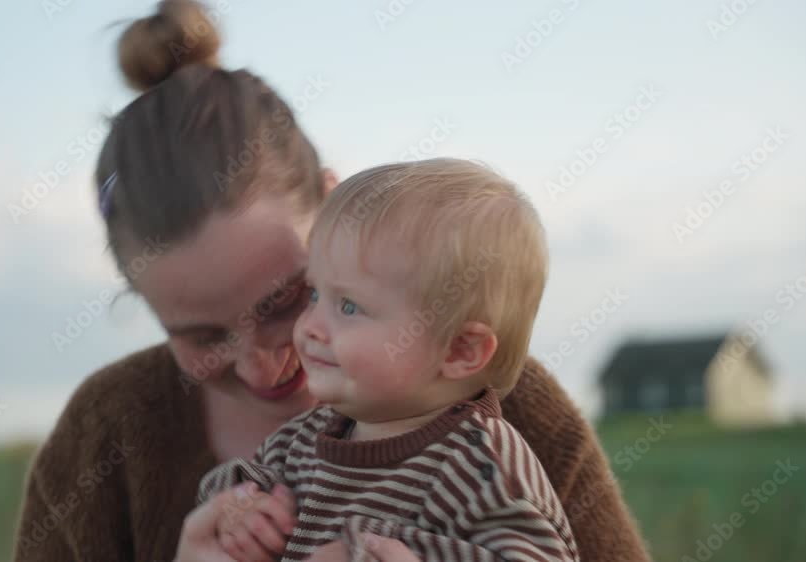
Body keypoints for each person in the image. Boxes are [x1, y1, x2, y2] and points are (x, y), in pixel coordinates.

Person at [11, 1, 651, 561]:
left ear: (336, 209)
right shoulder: (105, 434)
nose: (264, 366)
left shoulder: (505, 412)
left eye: (288, 298)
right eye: (203, 336)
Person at [196, 158, 581, 562]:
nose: (309, 326)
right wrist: (242, 512)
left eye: (348, 306)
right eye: (314, 295)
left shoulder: (480, 464)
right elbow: (233, 488)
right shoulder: (300, 442)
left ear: (459, 350)